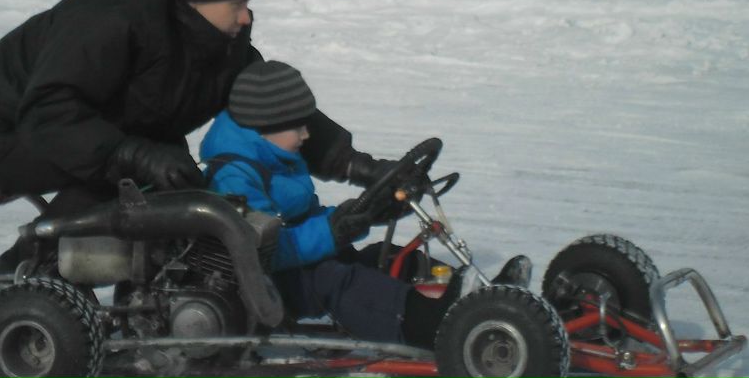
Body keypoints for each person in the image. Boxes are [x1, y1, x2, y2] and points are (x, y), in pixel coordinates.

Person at [0, 0, 397, 274]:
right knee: (147, 175)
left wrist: (357, 166)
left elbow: (268, 104)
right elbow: (48, 113)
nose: (247, 15)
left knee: (165, 171)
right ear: (199, 0)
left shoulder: (218, 35)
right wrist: (133, 154)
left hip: (76, 125)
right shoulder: (112, 20)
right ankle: (27, 277)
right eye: (237, 2)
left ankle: (141, 297)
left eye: (249, 2)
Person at [201, 60, 530, 348]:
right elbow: (260, 252)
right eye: (297, 126)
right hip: (259, 286)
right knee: (338, 280)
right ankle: (428, 324)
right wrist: (333, 231)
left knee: (379, 259)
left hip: (289, 266)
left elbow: (300, 217)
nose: (306, 135)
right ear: (265, 126)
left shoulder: (278, 154)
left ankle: (471, 298)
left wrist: (362, 213)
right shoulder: (235, 177)